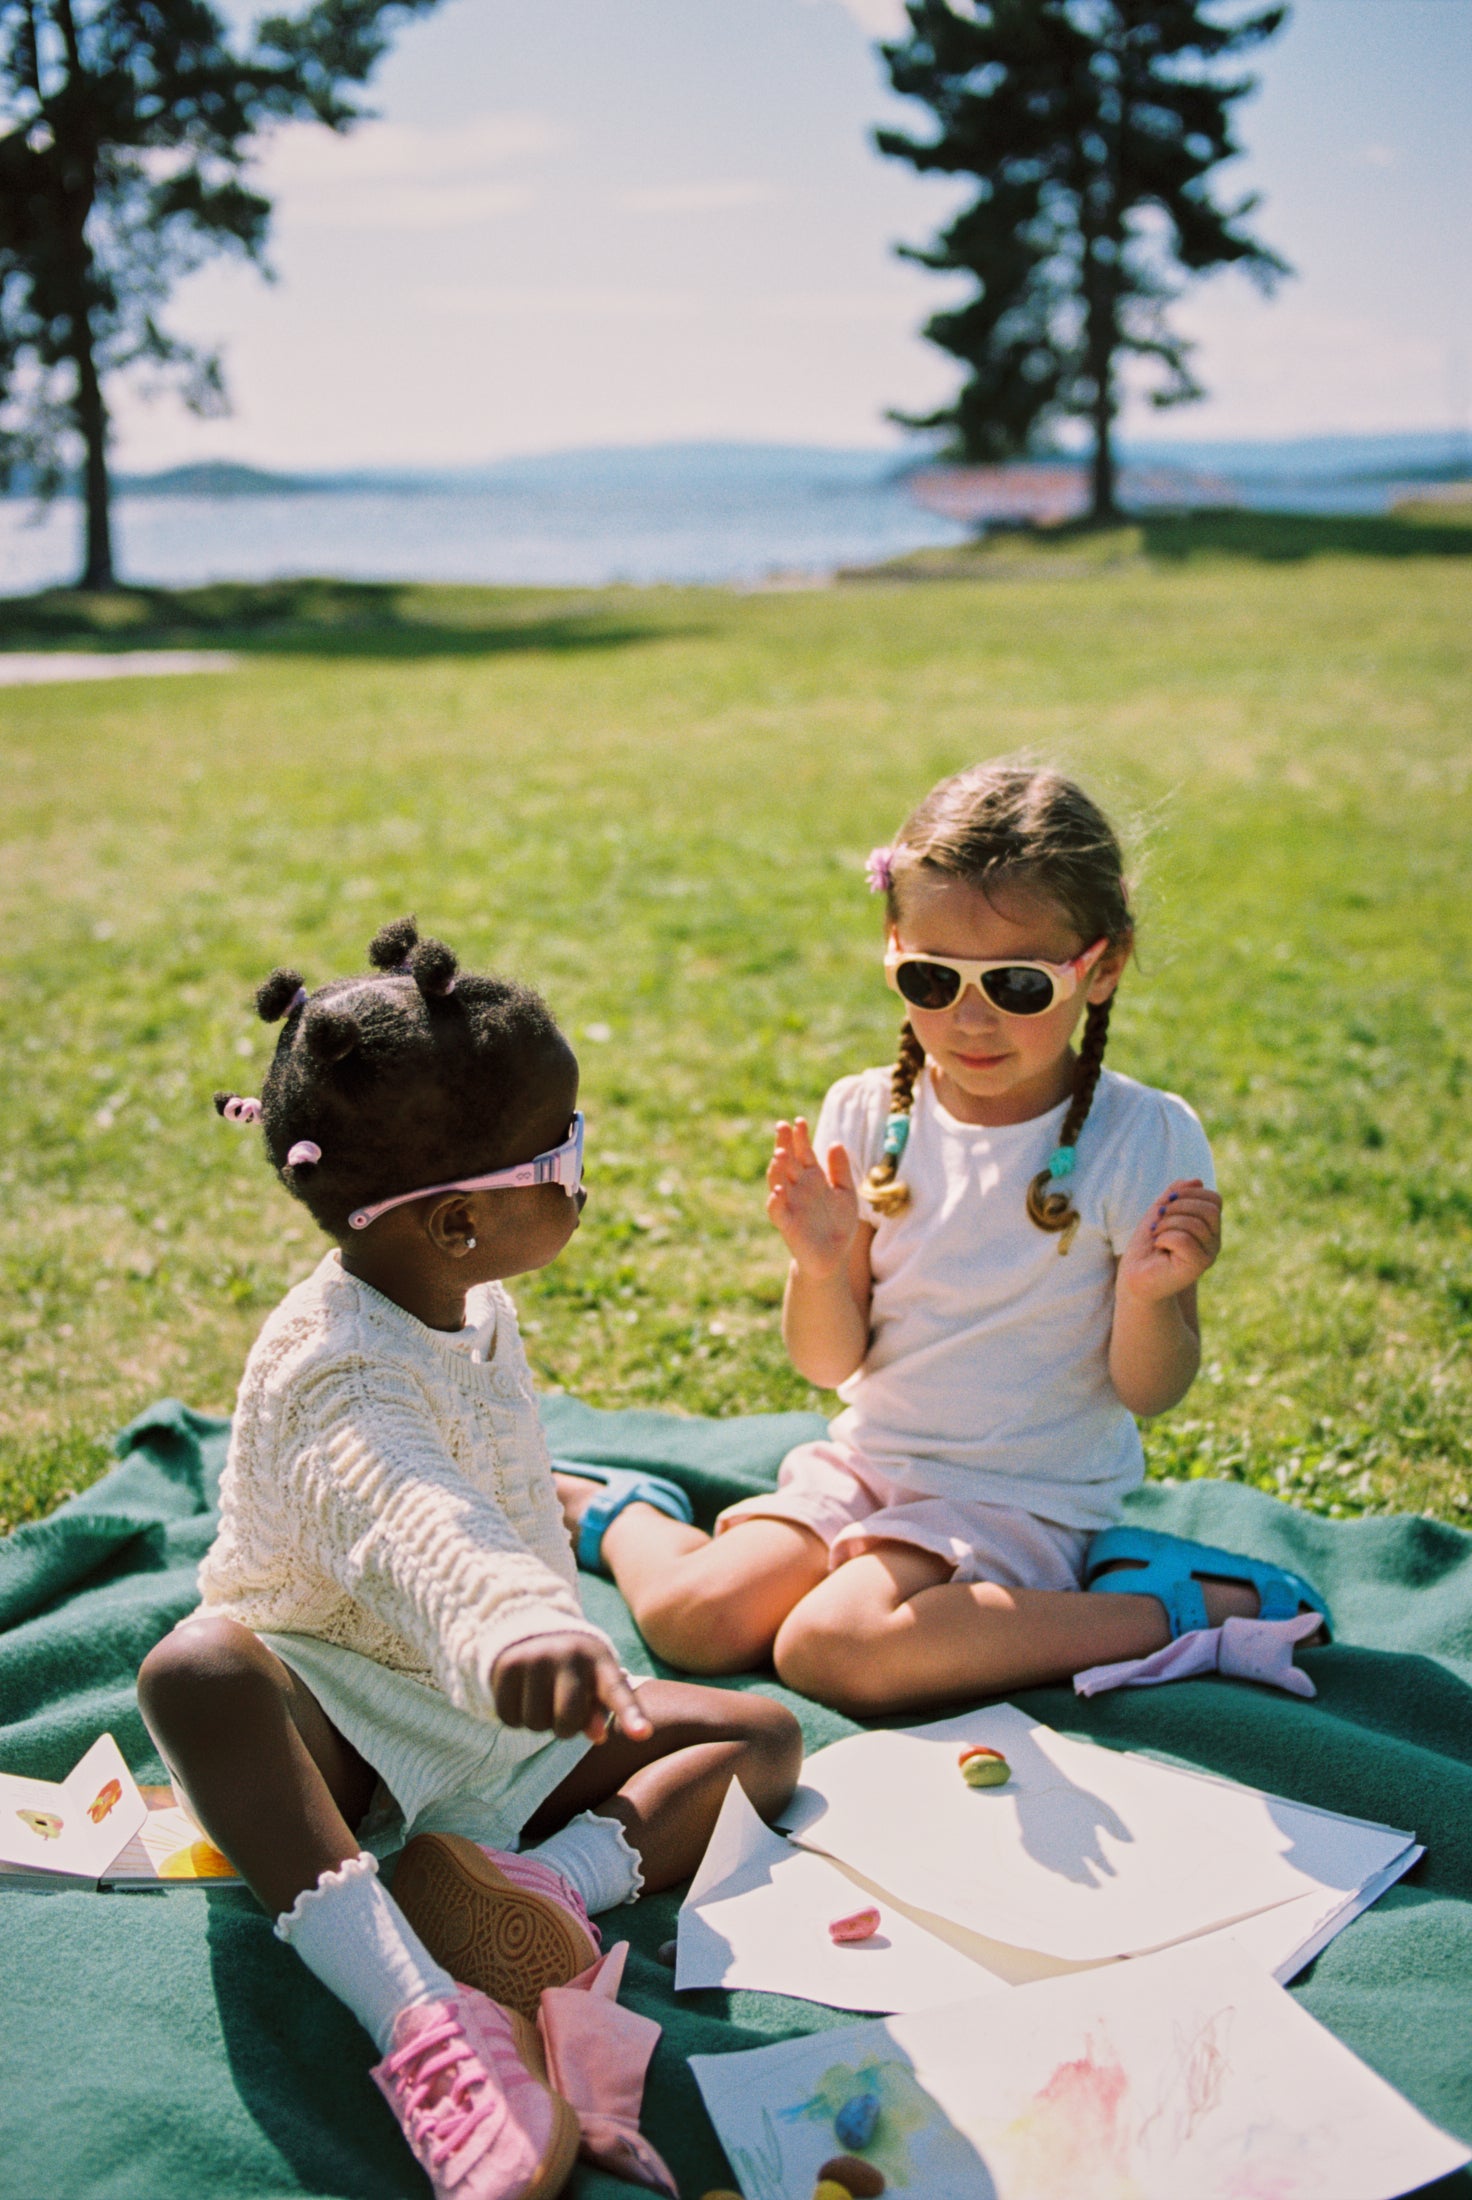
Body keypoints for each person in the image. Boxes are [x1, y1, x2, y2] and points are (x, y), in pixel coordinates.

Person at [136, 918, 800, 2200]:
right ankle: (420, 2017)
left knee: (761, 1740)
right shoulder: (341, 1372)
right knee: (199, 1671)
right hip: (356, 1713)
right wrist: (514, 1625)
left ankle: (526, 1886)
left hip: (498, 1732)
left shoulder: (464, 1300)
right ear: (452, 1222)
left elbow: (473, 1473)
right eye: (564, 1154)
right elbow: (409, 1514)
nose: (581, 1178)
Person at [559, 763, 1327, 1717]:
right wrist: (816, 1264)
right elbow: (828, 1359)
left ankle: (1181, 1609)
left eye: (1015, 982)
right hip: (869, 1464)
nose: (968, 1020)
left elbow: (1151, 1390)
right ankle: (612, 1506)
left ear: (1106, 965)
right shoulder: (863, 1112)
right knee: (691, 1618)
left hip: (1024, 1500)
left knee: (834, 1649)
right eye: (932, 978)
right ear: (893, 950)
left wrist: (1151, 1293)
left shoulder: (1146, 1138)